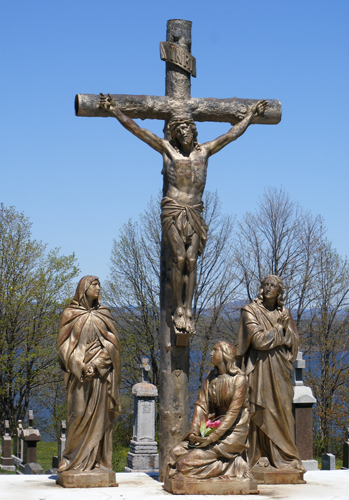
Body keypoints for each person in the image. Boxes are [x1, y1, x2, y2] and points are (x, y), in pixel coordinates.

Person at [100, 93, 268, 334]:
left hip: (195, 212)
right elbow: (138, 130)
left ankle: (188, 308)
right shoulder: (168, 150)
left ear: (194, 132)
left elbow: (231, 135)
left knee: (191, 261)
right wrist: (115, 110)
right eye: (179, 130)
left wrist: (251, 115)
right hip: (173, 210)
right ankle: (178, 308)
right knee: (179, 259)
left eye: (188, 129)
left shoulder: (205, 152)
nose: (184, 133)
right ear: (175, 134)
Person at [236, 275, 305, 471]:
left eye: (273, 285)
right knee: (261, 410)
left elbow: (294, 341)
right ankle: (259, 456)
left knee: (283, 411)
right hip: (259, 369)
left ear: (279, 291)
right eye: (265, 284)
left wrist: (283, 334)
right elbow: (258, 341)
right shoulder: (251, 311)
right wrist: (278, 330)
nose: (268, 288)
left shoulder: (284, 312)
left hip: (281, 369)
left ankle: (287, 457)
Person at [57, 275, 121, 472]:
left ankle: (99, 461)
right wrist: (81, 365)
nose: (99, 288)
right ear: (84, 288)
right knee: (77, 414)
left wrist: (97, 363)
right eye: (94, 285)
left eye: (99, 285)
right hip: (80, 376)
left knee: (100, 417)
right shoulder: (70, 314)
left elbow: (113, 346)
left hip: (100, 377)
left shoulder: (104, 314)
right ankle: (71, 458)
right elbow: (63, 347)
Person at [167, 341, 252, 480]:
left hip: (232, 433)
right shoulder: (211, 376)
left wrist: (212, 438)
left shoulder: (240, 379)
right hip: (215, 427)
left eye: (215, 350)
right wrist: (195, 431)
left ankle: (235, 466)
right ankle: (228, 465)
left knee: (183, 464)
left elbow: (232, 413)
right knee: (175, 452)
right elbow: (202, 405)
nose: (211, 353)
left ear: (225, 355)